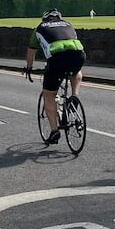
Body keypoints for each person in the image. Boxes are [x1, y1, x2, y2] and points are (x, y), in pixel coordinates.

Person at [24, 9, 85, 146]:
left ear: (44, 19)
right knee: (76, 71)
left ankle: (54, 131)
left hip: (57, 58)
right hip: (78, 54)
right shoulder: (68, 24)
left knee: (49, 95)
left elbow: (31, 50)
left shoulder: (40, 28)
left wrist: (29, 67)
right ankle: (74, 96)